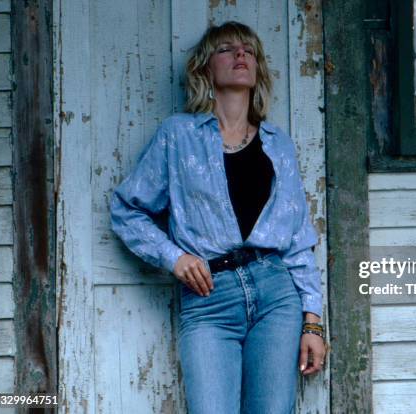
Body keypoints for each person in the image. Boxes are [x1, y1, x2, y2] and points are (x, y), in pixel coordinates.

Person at [110, 21, 326, 413]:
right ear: (205, 68)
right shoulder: (178, 136)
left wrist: (312, 322)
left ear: (257, 67)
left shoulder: (279, 145)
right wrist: (174, 257)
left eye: (248, 49)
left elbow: (297, 239)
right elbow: (128, 209)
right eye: (226, 49)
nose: (240, 54)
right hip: (210, 300)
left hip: (276, 297)